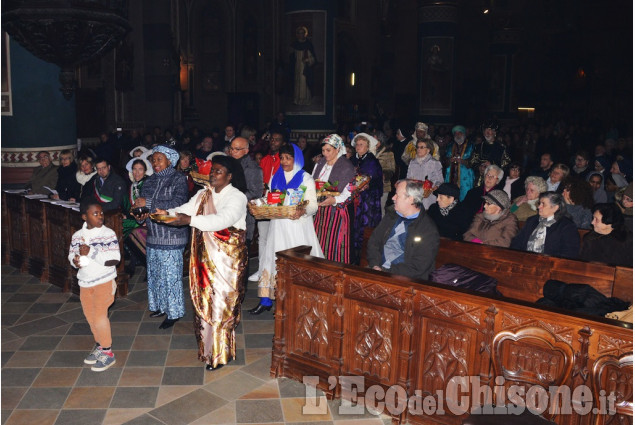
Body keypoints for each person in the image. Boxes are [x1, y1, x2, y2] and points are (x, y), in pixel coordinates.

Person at [159, 155, 248, 371]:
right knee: (206, 302)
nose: (213, 175)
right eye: (212, 170)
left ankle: (220, 354)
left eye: (218, 171)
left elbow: (222, 221)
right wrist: (165, 214)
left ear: (229, 176)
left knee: (221, 305)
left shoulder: (237, 197)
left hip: (227, 262)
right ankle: (208, 349)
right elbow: (187, 209)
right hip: (205, 260)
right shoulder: (203, 194)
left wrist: (189, 220)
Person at [250, 144, 323, 315]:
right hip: (278, 226)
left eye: (288, 158)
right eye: (282, 158)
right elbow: (270, 198)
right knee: (271, 258)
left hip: (298, 228)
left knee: (294, 262)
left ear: (296, 159)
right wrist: (259, 204)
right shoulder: (275, 177)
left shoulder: (306, 178)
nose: (284, 161)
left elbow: (313, 205)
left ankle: (293, 302)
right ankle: (266, 300)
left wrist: (302, 211)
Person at [133, 146, 189, 329]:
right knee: (155, 274)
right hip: (153, 234)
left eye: (159, 160)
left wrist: (148, 203)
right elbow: (142, 204)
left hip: (172, 235)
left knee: (170, 275)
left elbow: (178, 203)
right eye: (153, 160)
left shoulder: (178, 178)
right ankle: (159, 306)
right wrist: (139, 213)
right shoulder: (149, 181)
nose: (155, 163)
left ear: (169, 161)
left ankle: (174, 312)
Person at [68, 200, 120, 372]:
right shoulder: (77, 236)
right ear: (84, 216)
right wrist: (75, 261)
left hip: (104, 280)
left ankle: (108, 352)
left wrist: (91, 252)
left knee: (99, 317)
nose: (100, 216)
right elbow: (71, 255)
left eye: (101, 213)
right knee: (90, 317)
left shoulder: (108, 234)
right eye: (95, 214)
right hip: (85, 282)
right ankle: (100, 346)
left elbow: (114, 259)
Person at [366, 179, 440, 280]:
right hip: (378, 270)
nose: (393, 198)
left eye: (397, 195)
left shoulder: (427, 229)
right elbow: (374, 242)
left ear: (410, 199)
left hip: (406, 281)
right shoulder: (391, 216)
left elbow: (417, 267)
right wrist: (375, 265)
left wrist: (385, 271)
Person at [312, 134, 356, 263]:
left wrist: (334, 200)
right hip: (320, 211)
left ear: (338, 149)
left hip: (336, 211)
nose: (325, 153)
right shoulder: (320, 163)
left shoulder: (346, 166)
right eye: (323, 150)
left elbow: (350, 192)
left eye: (328, 150)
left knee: (333, 244)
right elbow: (312, 181)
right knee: (318, 241)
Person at [248, 131, 285, 282]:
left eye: (277, 140)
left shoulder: (285, 160)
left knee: (276, 238)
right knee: (262, 238)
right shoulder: (264, 160)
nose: (273, 142)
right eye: (272, 139)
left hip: (279, 204)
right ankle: (262, 269)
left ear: (282, 143)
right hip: (264, 203)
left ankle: (276, 271)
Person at [510, 191, 580, 258]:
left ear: (555, 208)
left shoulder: (567, 227)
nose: (539, 207)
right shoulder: (532, 221)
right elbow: (516, 243)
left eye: (543, 204)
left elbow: (569, 253)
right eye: (539, 203)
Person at [350, 133, 383, 263]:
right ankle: (354, 254)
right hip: (355, 196)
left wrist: (366, 185)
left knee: (365, 225)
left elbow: (375, 179)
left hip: (368, 199)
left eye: (361, 144)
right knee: (354, 224)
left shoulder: (372, 161)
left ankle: (365, 255)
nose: (358, 147)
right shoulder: (353, 159)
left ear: (367, 147)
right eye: (357, 144)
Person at [229, 137, 263, 244]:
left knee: (241, 253)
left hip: (244, 217)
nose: (233, 152)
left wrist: (233, 197)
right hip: (229, 214)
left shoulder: (252, 168)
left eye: (237, 149)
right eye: (231, 149)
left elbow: (256, 193)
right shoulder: (230, 163)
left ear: (246, 151)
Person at [122, 157, 152, 275]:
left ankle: (142, 263)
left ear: (145, 171)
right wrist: (125, 213)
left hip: (147, 218)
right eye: (134, 169)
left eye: (140, 169)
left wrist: (145, 217)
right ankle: (135, 262)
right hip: (134, 218)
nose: (137, 172)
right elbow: (126, 204)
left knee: (127, 229)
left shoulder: (148, 184)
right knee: (119, 225)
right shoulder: (130, 186)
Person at [406, 139, 443, 210]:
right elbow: (408, 178)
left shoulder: (435, 163)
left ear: (428, 150)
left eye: (422, 147)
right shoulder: (412, 162)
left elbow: (440, 181)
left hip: (428, 197)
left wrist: (434, 187)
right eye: (417, 147)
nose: (419, 149)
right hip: (415, 195)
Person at [444, 125, 475, 201]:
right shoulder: (450, 146)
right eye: (456, 133)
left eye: (459, 133)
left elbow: (474, 162)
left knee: (465, 198)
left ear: (464, 134)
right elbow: (444, 160)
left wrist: (463, 162)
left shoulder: (471, 145)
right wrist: (449, 160)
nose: (457, 135)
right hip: (451, 175)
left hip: (465, 177)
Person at [290, 26, 316, 106]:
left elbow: (313, 58)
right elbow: (291, 57)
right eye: (299, 33)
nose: (301, 35)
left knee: (304, 83)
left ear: (305, 34)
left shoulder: (308, 45)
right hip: (296, 67)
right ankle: (297, 100)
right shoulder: (294, 45)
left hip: (305, 68)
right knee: (297, 82)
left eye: (302, 33)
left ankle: (305, 100)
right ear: (297, 34)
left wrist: (308, 60)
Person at [375, 134, 396, 213]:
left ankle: (382, 225)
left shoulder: (388, 153)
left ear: (380, 141)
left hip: (384, 185)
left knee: (380, 208)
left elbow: (391, 170)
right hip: (371, 185)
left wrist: (383, 175)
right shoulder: (369, 152)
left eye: (375, 140)